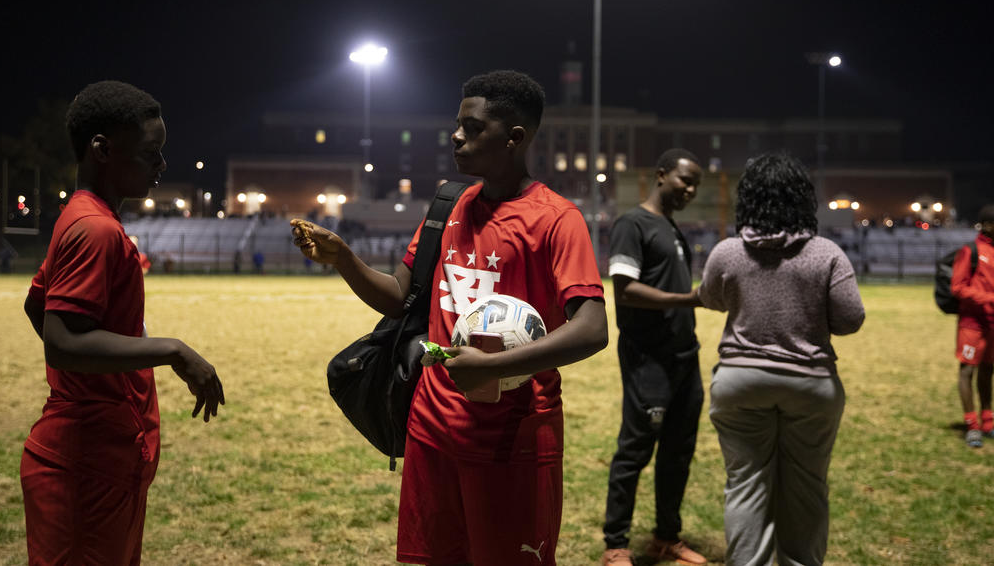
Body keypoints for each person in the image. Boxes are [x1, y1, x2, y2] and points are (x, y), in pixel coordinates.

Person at [291, 70, 607, 566]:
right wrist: (345, 260)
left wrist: (496, 366)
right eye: (457, 124)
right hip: (431, 429)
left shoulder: (556, 218)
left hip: (513, 438)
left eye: (473, 127)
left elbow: (592, 328)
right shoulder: (450, 205)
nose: (457, 136)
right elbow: (399, 296)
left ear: (515, 138)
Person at [21, 80, 225, 565]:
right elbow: (61, 340)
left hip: (101, 459)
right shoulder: (94, 228)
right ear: (103, 150)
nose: (161, 165)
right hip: (84, 469)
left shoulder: (86, 217)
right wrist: (173, 350)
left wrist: (93, 380)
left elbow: (37, 304)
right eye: (150, 153)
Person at [697, 153, 864, 566]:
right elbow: (850, 319)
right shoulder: (827, 254)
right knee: (806, 486)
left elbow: (711, 298)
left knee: (746, 485)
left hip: (740, 380)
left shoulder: (728, 252)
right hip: (810, 383)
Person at [600, 148, 708, 566]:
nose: (692, 190)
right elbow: (624, 290)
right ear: (662, 175)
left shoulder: (672, 228)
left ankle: (667, 536)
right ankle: (616, 543)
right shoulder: (633, 223)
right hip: (650, 358)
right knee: (635, 449)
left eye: (696, 183)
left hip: (686, 357)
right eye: (686, 180)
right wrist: (690, 299)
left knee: (679, 451)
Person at [953, 204, 994, 447]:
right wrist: (989, 299)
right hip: (972, 324)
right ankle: (971, 425)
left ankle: (988, 420)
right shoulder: (970, 251)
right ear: (988, 225)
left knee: (988, 370)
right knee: (967, 371)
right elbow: (957, 287)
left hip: (992, 324)